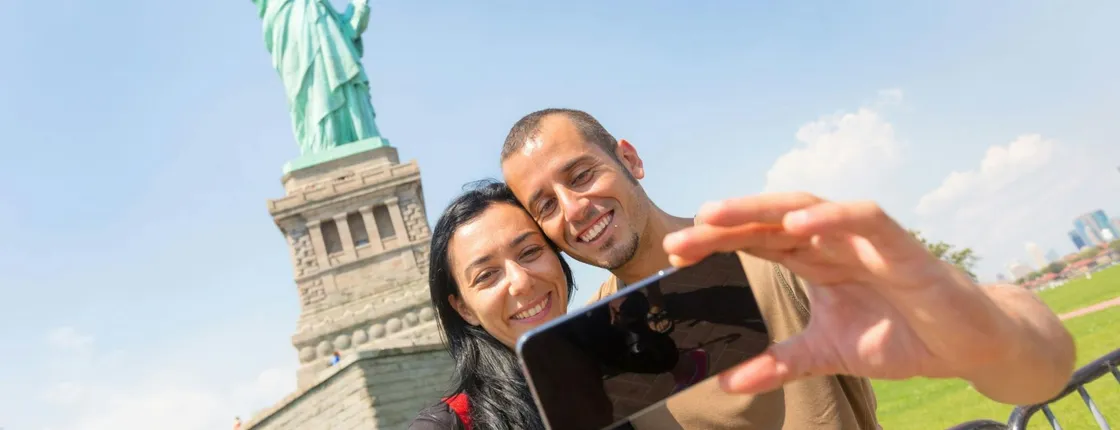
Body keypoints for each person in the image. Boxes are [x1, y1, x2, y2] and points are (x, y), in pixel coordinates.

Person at [499, 108, 1077, 429]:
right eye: (545, 205)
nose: (573, 209)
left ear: (629, 158)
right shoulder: (598, 335)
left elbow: (1038, 373)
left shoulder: (768, 253)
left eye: (581, 175)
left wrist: (976, 335)